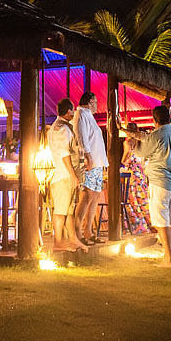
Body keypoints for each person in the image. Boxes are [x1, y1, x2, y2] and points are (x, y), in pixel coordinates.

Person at [131, 105, 171, 267]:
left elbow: (141, 153)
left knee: (161, 221)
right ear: (170, 118)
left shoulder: (155, 135)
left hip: (160, 183)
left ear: (155, 120)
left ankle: (169, 258)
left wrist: (131, 145)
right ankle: (169, 256)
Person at [48, 98, 87, 251]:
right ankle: (58, 242)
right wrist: (73, 175)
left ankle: (73, 240)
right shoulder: (62, 128)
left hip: (65, 174)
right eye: (73, 111)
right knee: (61, 210)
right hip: (63, 174)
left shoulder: (60, 127)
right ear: (69, 111)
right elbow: (64, 154)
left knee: (69, 210)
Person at [73, 91, 108, 243]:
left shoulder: (89, 116)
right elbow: (82, 137)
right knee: (86, 196)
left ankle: (89, 230)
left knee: (94, 196)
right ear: (90, 102)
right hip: (90, 162)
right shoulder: (81, 114)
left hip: (97, 162)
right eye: (96, 102)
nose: (97, 106)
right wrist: (88, 156)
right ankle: (78, 231)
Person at [120, 122, 150, 234]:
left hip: (132, 174)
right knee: (142, 198)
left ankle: (138, 225)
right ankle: (149, 223)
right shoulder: (141, 143)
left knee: (132, 199)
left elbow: (124, 159)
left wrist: (124, 162)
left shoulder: (127, 143)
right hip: (141, 173)